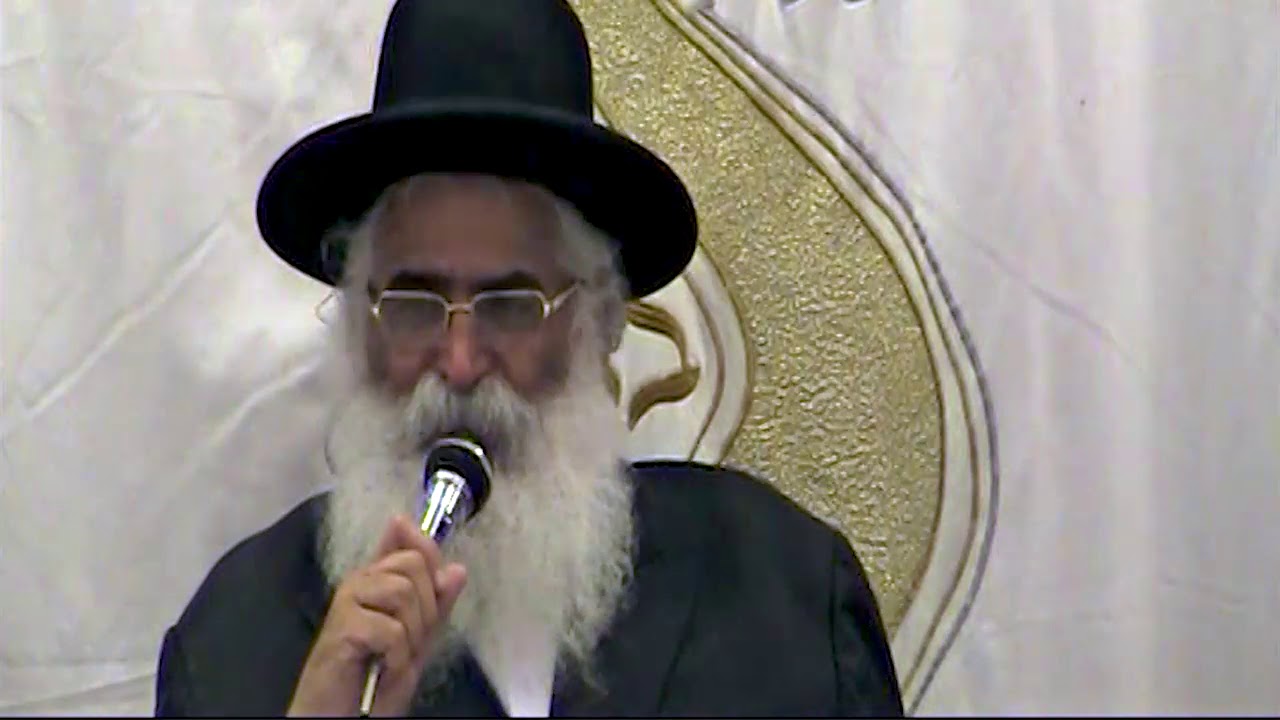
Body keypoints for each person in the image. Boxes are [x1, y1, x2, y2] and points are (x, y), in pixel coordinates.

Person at [153, 0, 904, 716]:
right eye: (413, 304)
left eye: (511, 305)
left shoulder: (787, 593)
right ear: (358, 327)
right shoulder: (232, 645)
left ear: (597, 322)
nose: (459, 363)